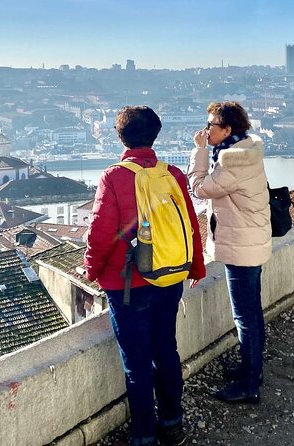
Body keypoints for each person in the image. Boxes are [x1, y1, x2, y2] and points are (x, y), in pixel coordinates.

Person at [84, 106, 206, 446]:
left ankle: (143, 436)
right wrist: (195, 267)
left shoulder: (114, 177)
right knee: (166, 349)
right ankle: (173, 423)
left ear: (120, 135)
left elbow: (100, 233)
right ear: (155, 134)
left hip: (128, 286)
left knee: (137, 364)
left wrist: (92, 270)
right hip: (170, 278)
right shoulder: (174, 174)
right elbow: (191, 226)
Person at [188, 101, 272, 404]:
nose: (206, 130)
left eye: (211, 125)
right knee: (252, 311)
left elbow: (198, 187)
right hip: (252, 240)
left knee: (244, 317)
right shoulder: (247, 149)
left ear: (226, 129)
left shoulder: (231, 164)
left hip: (241, 247)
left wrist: (198, 151)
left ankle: (249, 384)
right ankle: (253, 370)